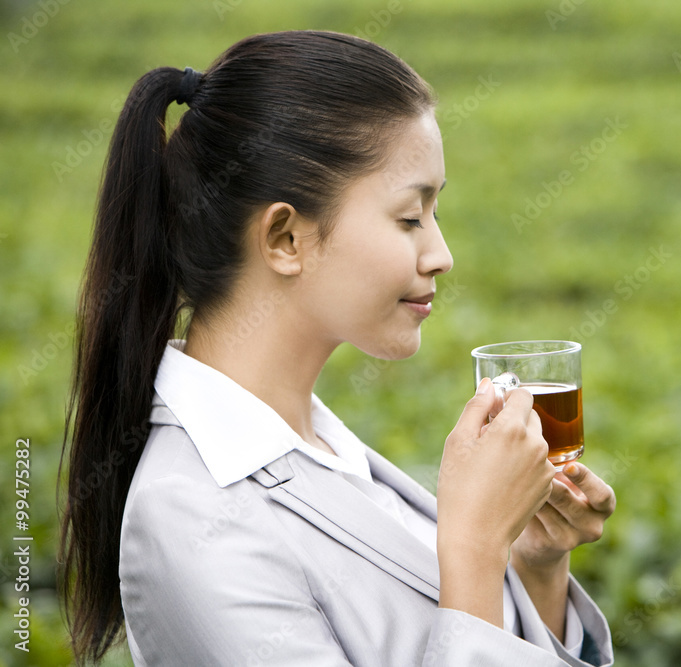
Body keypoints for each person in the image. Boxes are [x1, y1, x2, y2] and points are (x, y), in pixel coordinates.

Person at [59, 30, 615, 666]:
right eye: (411, 218)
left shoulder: (321, 447)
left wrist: (532, 566)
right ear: (286, 238)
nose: (441, 254)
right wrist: (475, 550)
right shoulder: (189, 518)